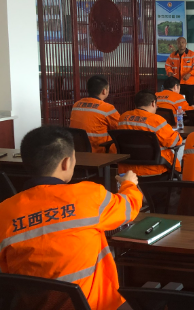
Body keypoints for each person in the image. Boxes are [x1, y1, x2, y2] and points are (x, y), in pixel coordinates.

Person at [0, 126, 142, 310]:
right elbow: (130, 207)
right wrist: (129, 184)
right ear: (66, 163)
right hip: (96, 306)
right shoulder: (89, 196)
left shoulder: (4, 211)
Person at [117, 90, 183, 177]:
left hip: (127, 170)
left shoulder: (123, 117)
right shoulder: (156, 120)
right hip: (155, 168)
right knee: (183, 146)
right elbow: (173, 142)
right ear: (153, 103)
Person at [69, 75, 119, 153]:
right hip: (99, 152)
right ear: (104, 91)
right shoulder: (107, 108)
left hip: (78, 151)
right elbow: (120, 128)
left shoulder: (76, 105)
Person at [165, 37, 194, 106]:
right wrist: (169, 72)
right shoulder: (172, 55)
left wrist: (190, 74)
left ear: (186, 43)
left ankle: (191, 113)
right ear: (176, 44)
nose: (181, 44)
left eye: (183, 42)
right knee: (177, 102)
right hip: (176, 84)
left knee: (190, 101)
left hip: (189, 83)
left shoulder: (192, 54)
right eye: (179, 43)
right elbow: (167, 65)